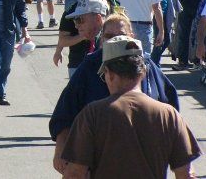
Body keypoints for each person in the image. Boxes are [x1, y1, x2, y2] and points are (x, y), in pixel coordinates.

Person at [50, 12, 180, 175]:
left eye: (121, 36)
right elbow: (66, 111)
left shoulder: (146, 65)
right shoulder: (90, 67)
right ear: (101, 39)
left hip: (145, 159)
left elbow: (171, 110)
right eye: (109, 36)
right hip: (99, 157)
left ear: (132, 37)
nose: (115, 41)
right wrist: (61, 149)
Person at [61, 35, 200, 178]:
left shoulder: (92, 114)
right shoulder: (168, 115)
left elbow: (75, 174)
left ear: (110, 75)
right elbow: (186, 174)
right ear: (143, 72)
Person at [54, 0, 106, 78]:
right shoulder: (71, 11)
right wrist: (83, 36)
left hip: (101, 64)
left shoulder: (105, 7)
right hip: (78, 64)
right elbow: (62, 40)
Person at [150, 0, 172, 66]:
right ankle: (154, 63)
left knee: (167, 39)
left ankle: (154, 61)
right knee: (161, 39)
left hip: (164, 13)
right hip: (158, 14)